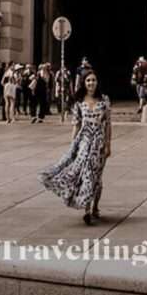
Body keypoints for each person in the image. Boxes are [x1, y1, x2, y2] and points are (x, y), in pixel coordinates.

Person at [39, 70, 112, 226]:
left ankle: (95, 207)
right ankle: (86, 209)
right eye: (88, 81)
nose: (91, 83)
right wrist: (72, 145)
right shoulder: (79, 102)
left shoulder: (104, 100)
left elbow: (108, 125)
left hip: (98, 144)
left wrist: (108, 145)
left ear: (97, 82)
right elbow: (76, 124)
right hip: (84, 142)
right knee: (86, 174)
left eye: (93, 80)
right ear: (84, 83)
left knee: (97, 178)